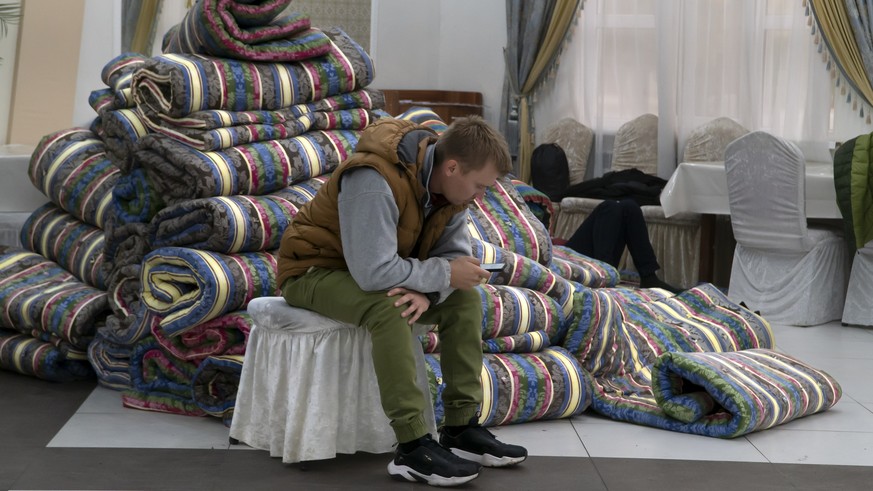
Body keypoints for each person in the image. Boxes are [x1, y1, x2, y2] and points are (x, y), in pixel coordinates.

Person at [276, 115, 528, 486]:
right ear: (453, 167)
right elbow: (373, 272)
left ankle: (460, 428)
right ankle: (412, 446)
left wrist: (430, 291)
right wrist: (440, 277)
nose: (481, 196)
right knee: (389, 307)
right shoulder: (373, 179)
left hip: (370, 271)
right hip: (313, 270)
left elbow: (452, 262)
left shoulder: (452, 195)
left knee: (465, 301)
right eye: (479, 186)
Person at [564, 198, 683, 294]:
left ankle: (648, 276)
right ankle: (604, 276)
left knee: (630, 207)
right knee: (609, 207)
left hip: (562, 249)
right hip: (563, 258)